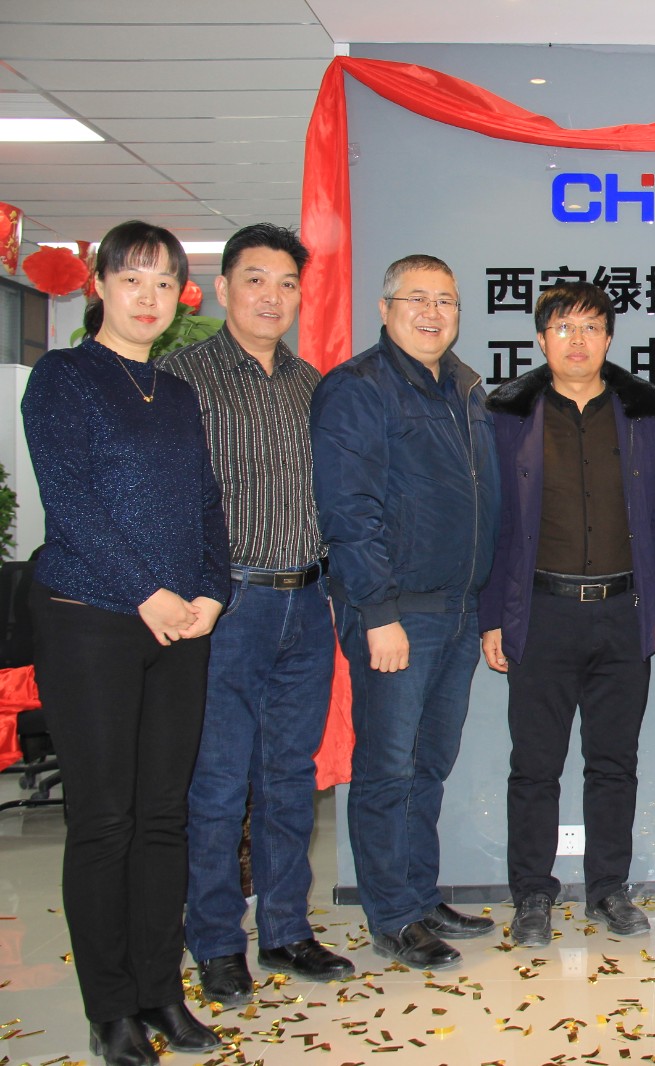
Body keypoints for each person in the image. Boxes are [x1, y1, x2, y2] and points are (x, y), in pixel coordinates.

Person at [23, 220, 228, 1065]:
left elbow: (206, 502)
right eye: (132, 279)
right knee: (105, 820)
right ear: (99, 285)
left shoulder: (175, 392)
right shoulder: (63, 377)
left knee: (163, 817)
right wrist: (148, 593)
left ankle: (159, 991)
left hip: (180, 626)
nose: (148, 297)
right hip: (91, 620)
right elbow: (70, 500)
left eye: (164, 282)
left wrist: (211, 590)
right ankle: (110, 1009)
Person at [163, 224, 353, 1007]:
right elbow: (165, 500)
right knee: (215, 783)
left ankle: (285, 930)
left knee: (288, 778)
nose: (271, 297)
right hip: (225, 606)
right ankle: (215, 941)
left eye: (286, 283)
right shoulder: (183, 378)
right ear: (222, 288)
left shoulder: (313, 385)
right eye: (255, 280)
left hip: (306, 603)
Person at [309, 254, 500, 970]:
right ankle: (391, 915)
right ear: (385, 309)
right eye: (416, 298)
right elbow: (347, 510)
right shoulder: (358, 388)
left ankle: (420, 896)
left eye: (445, 300)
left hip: (458, 608)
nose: (432, 312)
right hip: (397, 612)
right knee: (388, 767)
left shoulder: (465, 388)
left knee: (429, 763)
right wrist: (377, 610)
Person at [479, 282, 655, 947]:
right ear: (542, 339)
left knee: (614, 762)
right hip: (541, 612)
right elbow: (495, 524)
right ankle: (533, 895)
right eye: (563, 327)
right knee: (535, 765)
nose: (577, 340)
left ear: (609, 339)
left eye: (591, 327)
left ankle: (608, 889)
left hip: (624, 611)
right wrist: (491, 616)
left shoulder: (642, 415)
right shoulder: (510, 416)